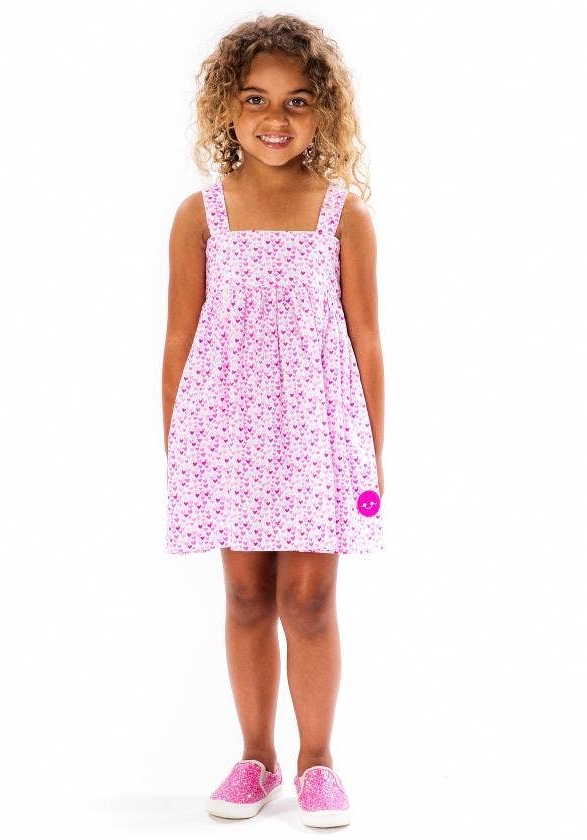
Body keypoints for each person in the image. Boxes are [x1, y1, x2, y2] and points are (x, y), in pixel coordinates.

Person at [162, 13, 385, 828]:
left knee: (311, 600)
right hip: (230, 436)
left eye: (297, 101)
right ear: (227, 106)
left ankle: (317, 760)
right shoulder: (202, 215)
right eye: (256, 98)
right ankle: (255, 756)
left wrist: (370, 460)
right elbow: (180, 341)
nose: (275, 118)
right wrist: (179, 451)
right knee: (247, 595)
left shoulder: (341, 215)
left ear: (324, 111)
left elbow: (366, 342)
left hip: (319, 438)